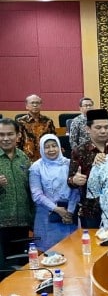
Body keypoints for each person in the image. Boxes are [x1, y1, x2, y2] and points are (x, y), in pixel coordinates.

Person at [29, 134, 79, 252]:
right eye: (47, 147)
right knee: (50, 254)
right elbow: (36, 195)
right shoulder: (36, 167)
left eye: (54, 145)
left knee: (73, 252)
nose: (51, 149)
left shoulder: (69, 164)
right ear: (41, 149)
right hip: (47, 216)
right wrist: (56, 209)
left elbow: (75, 189)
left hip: (69, 215)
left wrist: (69, 212)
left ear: (60, 147)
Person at [68, 108, 108, 229]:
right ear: (88, 129)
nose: (103, 131)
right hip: (91, 209)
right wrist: (75, 180)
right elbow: (70, 180)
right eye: (98, 127)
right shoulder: (79, 151)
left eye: (106, 127)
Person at [0, 118, 32, 259]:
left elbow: (30, 189)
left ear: (18, 136)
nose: (6, 138)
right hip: (1, 224)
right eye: (1, 135)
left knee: (21, 265)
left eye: (10, 134)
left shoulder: (24, 158)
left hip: (23, 222)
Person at [17, 94, 56, 162]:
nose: (35, 105)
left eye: (37, 103)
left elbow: (53, 140)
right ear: (27, 106)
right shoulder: (20, 122)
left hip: (45, 158)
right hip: (26, 159)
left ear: (41, 105)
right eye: (32, 103)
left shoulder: (48, 121)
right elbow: (17, 143)